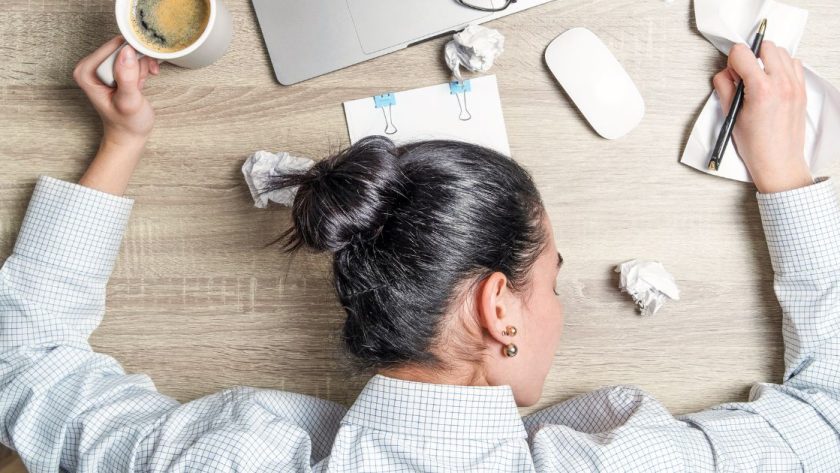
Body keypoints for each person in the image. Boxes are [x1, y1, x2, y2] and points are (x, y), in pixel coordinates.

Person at [0, 36, 837, 472]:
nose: (558, 304)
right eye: (550, 281)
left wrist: (122, 142)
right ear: (498, 306)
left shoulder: (222, 460)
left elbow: (21, 363)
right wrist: (783, 168)